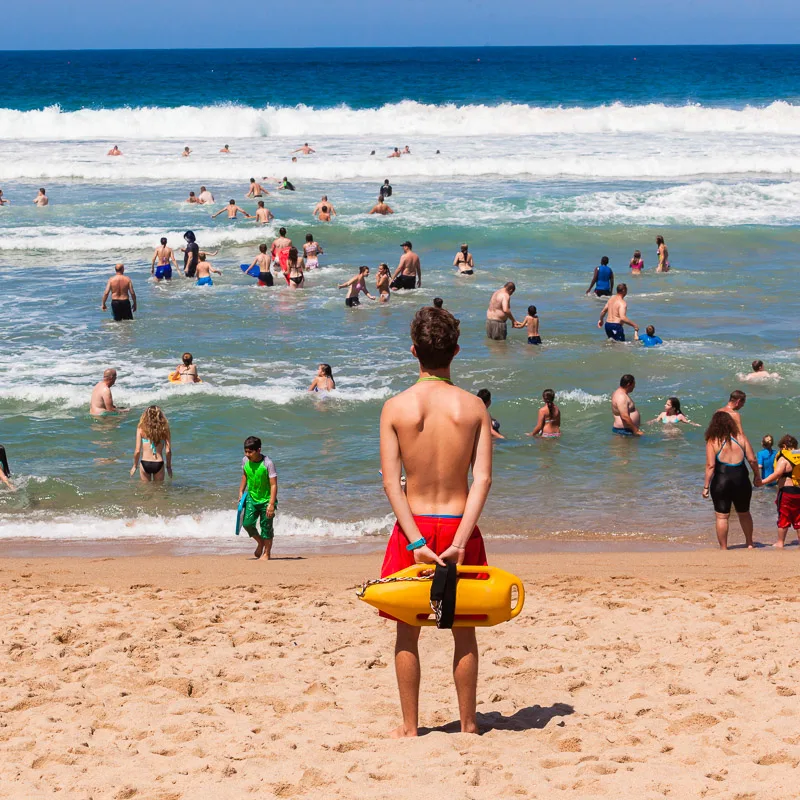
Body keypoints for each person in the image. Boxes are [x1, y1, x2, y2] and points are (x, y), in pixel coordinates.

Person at [379, 306, 492, 737]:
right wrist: (461, 541)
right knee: (464, 633)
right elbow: (481, 480)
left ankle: (411, 728)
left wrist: (414, 542)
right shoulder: (474, 408)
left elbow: (392, 484)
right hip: (461, 526)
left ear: (413, 351)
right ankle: (467, 725)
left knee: (408, 634)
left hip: (414, 530)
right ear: (457, 351)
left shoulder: (396, 408)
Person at [703, 411, 760, 549]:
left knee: (722, 516)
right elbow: (752, 459)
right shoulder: (741, 438)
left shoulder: (712, 441)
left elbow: (711, 466)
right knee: (744, 513)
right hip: (741, 479)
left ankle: (724, 547)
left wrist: (705, 486)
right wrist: (757, 476)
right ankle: (750, 543)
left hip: (721, 481)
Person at [238, 436, 278, 560]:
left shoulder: (268, 463)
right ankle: (260, 542)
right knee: (247, 523)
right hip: (252, 498)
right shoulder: (245, 460)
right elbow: (245, 475)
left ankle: (267, 553)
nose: (247, 454)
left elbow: (273, 484)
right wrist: (241, 491)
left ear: (258, 450)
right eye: (246, 451)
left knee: (266, 527)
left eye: (250, 452)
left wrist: (271, 503)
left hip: (266, 500)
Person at [761, 435, 800, 547]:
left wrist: (763, 482)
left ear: (784, 446)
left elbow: (777, 474)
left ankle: (780, 542)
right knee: (798, 517)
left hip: (787, 492)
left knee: (784, 516)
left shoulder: (783, 459)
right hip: (799, 492)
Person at [130, 406, 172, 482]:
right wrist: (168, 467)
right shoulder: (165, 429)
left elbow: (137, 451)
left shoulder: (141, 429)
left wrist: (135, 466)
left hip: (145, 462)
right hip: (158, 463)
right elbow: (168, 451)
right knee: (159, 490)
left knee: (146, 491)